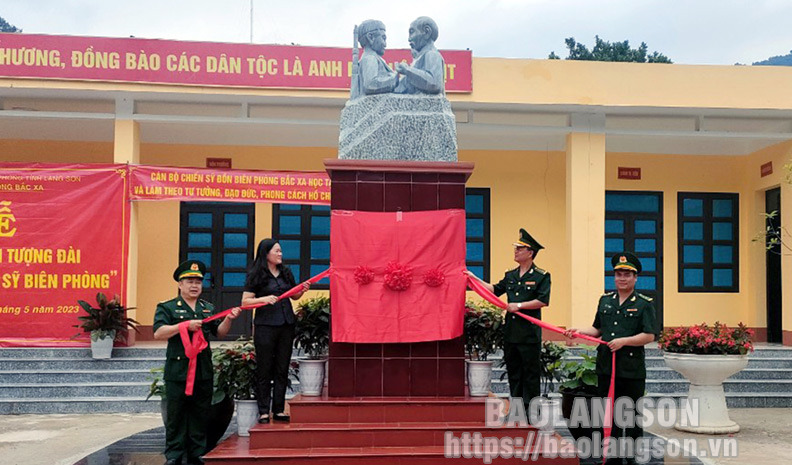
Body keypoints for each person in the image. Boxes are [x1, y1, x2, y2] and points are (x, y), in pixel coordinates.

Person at [564, 252, 657, 465]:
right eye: (618, 274)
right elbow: (597, 329)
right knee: (610, 415)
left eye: (627, 274)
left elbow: (649, 335)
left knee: (631, 415)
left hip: (630, 369)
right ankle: (612, 458)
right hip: (607, 367)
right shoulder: (605, 300)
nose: (622, 278)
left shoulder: (644, 304)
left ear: (635, 278)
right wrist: (579, 331)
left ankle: (631, 458)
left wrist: (624, 341)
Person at [153, 259, 240, 465]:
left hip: (202, 370)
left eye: (198, 282)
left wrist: (229, 319)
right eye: (189, 281)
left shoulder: (207, 308)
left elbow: (219, 332)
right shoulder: (168, 307)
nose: (194, 286)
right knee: (176, 414)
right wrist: (184, 325)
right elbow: (158, 332)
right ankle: (174, 454)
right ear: (180, 284)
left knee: (200, 413)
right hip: (178, 370)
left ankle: (196, 452)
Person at [465, 228, 551, 409]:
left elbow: (542, 301)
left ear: (530, 253)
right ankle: (517, 409)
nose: (516, 251)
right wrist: (474, 279)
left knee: (530, 374)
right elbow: (495, 289)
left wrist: (519, 305)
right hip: (512, 332)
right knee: (514, 373)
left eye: (520, 248)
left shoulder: (541, 276)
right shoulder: (510, 275)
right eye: (516, 248)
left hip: (529, 334)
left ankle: (531, 412)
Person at [242, 239, 309, 424]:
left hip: (286, 324)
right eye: (277, 251)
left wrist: (302, 290)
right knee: (265, 369)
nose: (280, 254)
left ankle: (278, 409)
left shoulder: (286, 272)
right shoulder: (256, 275)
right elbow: (245, 302)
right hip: (265, 326)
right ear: (266, 254)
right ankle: (263, 411)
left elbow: (293, 295)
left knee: (282, 367)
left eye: (280, 251)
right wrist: (264, 299)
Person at [395, 16, 444, 94]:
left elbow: (434, 83)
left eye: (412, 32)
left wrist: (407, 70)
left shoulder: (432, 54)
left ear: (426, 32)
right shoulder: (420, 57)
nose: (409, 39)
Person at [355, 19, 399, 97]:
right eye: (383, 38)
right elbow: (370, 84)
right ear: (370, 37)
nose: (385, 44)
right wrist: (396, 78)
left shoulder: (374, 58)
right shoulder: (369, 58)